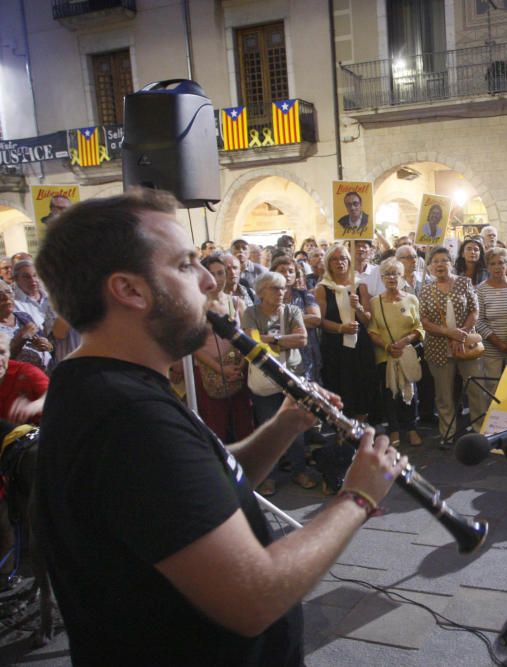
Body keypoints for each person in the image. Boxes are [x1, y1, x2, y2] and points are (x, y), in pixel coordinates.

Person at [33, 189, 404, 665]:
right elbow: (255, 597)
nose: (210, 280)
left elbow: (204, 490)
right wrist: (358, 498)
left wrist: (284, 426)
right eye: (187, 265)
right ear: (129, 289)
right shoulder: (128, 417)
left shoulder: (108, 386)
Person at [242, 271, 314, 495]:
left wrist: (271, 339)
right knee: (268, 430)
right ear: (261, 292)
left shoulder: (292, 311)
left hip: (292, 378)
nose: (281, 292)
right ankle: (268, 478)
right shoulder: (251, 312)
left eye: (283, 288)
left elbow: (302, 339)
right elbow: (250, 342)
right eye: (275, 288)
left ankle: (299, 471)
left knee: (295, 429)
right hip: (264, 383)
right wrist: (283, 340)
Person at [419, 246, 485, 440]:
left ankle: (480, 430)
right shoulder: (426, 289)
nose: (440, 265)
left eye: (444, 260)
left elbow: (474, 311)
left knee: (475, 389)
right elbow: (424, 321)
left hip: (466, 345)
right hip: (438, 348)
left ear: (451, 263)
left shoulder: (464, 283)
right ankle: (447, 433)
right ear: (430, 267)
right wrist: (449, 333)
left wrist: (462, 334)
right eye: (435, 261)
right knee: (444, 395)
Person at [192, 255, 254, 445]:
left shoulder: (237, 303)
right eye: (212, 273)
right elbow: (193, 346)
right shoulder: (196, 307)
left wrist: (241, 364)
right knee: (215, 425)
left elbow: (248, 336)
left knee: (244, 424)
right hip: (208, 372)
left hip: (238, 370)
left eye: (221, 273)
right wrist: (220, 369)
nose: (217, 278)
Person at [315, 245, 378, 420]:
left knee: (362, 382)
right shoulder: (323, 288)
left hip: (359, 343)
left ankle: (361, 425)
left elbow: (367, 319)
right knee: (340, 385)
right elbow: (319, 320)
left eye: (343, 258)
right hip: (335, 345)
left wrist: (357, 307)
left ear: (349, 261)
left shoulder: (359, 285)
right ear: (328, 263)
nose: (339, 262)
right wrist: (340, 328)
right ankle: (343, 428)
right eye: (334, 259)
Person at [368, 258, 424, 447]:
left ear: (402, 276)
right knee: (390, 395)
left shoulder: (411, 299)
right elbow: (372, 330)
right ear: (382, 278)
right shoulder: (375, 302)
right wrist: (387, 347)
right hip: (386, 356)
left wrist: (405, 341)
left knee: (410, 394)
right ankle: (393, 430)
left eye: (396, 274)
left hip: (406, 354)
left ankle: (411, 428)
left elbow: (420, 328)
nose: (392, 278)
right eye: (387, 274)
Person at [475, 248, 507, 404]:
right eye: (492, 263)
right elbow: (478, 320)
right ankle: (493, 421)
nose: (497, 267)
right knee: (492, 386)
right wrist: (498, 343)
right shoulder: (481, 289)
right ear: (487, 267)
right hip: (492, 347)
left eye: (501, 263)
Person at [0, 281, 51, 372]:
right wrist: (22, 337)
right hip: (16, 380)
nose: (7, 298)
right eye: (0, 295)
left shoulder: (23, 317)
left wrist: (46, 345)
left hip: (43, 374)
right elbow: (2, 361)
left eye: (9, 292)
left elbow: (47, 346)